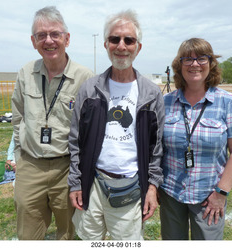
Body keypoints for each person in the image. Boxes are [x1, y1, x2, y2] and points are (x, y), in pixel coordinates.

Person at [68, 10, 165, 240]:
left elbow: (157, 148)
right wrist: (75, 183)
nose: (121, 46)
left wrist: (152, 187)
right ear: (106, 44)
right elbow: (75, 141)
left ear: (138, 47)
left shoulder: (151, 94)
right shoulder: (89, 89)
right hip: (91, 186)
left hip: (130, 189)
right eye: (115, 39)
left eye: (128, 40)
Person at [11, 6, 94, 240]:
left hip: (67, 169)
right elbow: (17, 118)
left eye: (55, 34)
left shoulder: (84, 78)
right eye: (41, 35)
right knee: (28, 234)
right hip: (30, 165)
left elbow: (91, 132)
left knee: (68, 233)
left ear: (67, 39)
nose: (49, 40)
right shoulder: (25, 74)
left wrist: (82, 173)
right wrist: (19, 156)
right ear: (33, 41)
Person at [159, 38, 232, 240]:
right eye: (187, 59)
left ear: (211, 63)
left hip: (209, 196)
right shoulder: (166, 102)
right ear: (179, 65)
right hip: (171, 193)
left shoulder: (227, 102)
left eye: (201, 58)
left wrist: (220, 194)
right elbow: (157, 148)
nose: (194, 64)